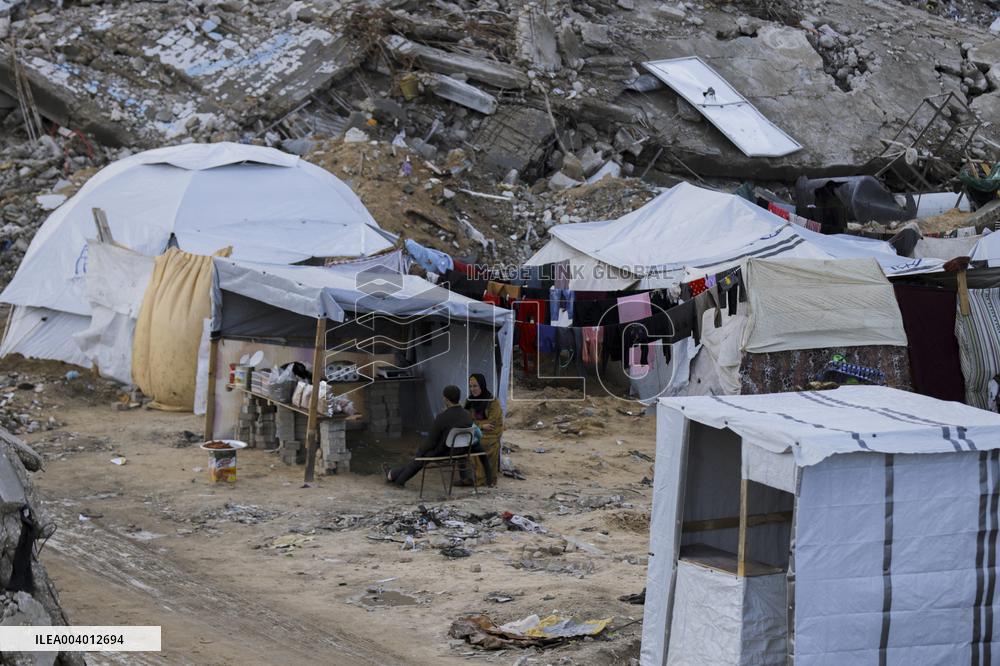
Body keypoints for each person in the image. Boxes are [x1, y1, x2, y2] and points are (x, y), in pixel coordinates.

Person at [384, 385, 494, 488]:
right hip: (462, 450)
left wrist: (420, 452)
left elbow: (431, 441)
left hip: (446, 451)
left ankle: (398, 480)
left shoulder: (442, 417)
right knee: (421, 457)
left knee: (421, 457)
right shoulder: (467, 415)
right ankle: (393, 474)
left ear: (446, 399)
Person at [464, 373, 503, 487]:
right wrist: (480, 426)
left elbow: (493, 423)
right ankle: (476, 478)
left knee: (482, 444)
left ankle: (488, 479)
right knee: (471, 442)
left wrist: (475, 425)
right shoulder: (469, 401)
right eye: (470, 386)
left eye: (475, 386)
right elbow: (465, 420)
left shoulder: (492, 401)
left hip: (490, 435)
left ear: (482, 385)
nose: (473, 389)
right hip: (476, 433)